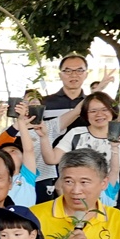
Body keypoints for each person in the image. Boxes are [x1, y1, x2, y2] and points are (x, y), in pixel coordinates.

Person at [45, 92, 120, 210]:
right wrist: (44, 136)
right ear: (85, 114)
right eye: (93, 111)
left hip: (108, 202)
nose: (99, 114)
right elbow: (52, 159)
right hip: (74, 201)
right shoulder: (75, 134)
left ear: (112, 111)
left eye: (104, 109)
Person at [33, 54, 92, 198]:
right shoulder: (45, 103)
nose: (74, 75)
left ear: (86, 74)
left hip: (85, 164)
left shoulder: (93, 104)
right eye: (68, 70)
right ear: (60, 74)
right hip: (49, 167)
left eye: (79, 70)